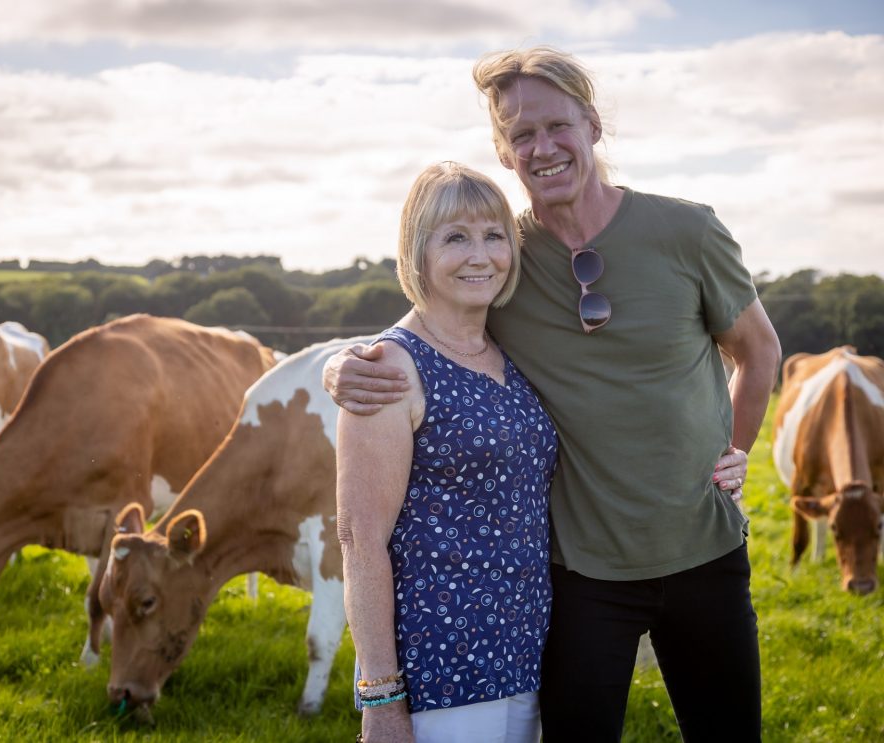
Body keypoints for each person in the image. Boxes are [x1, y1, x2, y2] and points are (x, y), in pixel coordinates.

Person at [326, 47, 781, 743]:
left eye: (557, 125)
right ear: (505, 153)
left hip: (705, 552)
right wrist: (342, 365)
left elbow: (759, 351)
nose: (543, 147)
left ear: (592, 124)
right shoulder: (506, 254)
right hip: (580, 576)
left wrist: (736, 449)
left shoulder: (688, 231)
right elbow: (432, 324)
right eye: (520, 134)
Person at [336, 161, 559, 743]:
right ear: (418, 250)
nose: (480, 255)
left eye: (494, 236)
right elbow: (360, 541)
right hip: (441, 671)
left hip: (528, 657)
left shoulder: (508, 353)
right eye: (455, 237)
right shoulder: (391, 369)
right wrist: (382, 698)